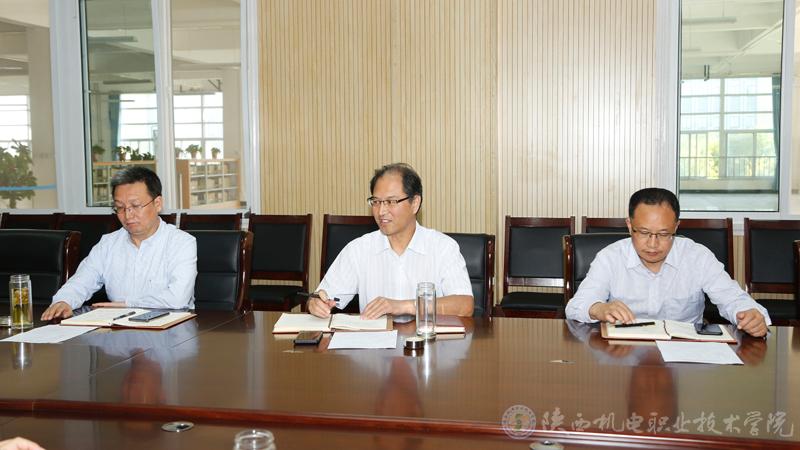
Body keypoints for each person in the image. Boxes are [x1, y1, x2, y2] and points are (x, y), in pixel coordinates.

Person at [565, 187, 770, 337]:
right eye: (643, 232)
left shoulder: (697, 256)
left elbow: (733, 298)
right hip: (625, 350)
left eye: (664, 234)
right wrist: (598, 308)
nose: (653, 244)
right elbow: (575, 307)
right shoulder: (610, 257)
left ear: (676, 227)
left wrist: (750, 315)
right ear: (629, 225)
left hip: (684, 351)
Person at [308, 163, 473, 319]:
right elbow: (321, 296)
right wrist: (316, 303)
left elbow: (465, 305)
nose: (381, 211)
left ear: (415, 203)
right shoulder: (359, 249)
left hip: (426, 339)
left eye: (391, 202)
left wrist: (403, 306)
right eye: (376, 202)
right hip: (375, 339)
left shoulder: (443, 247)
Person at [41, 167, 197, 320]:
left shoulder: (181, 243)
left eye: (135, 206)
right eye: (120, 208)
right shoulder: (108, 244)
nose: (127, 215)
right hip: (118, 327)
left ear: (157, 203)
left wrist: (128, 304)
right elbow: (82, 281)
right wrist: (64, 301)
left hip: (171, 328)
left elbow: (178, 298)